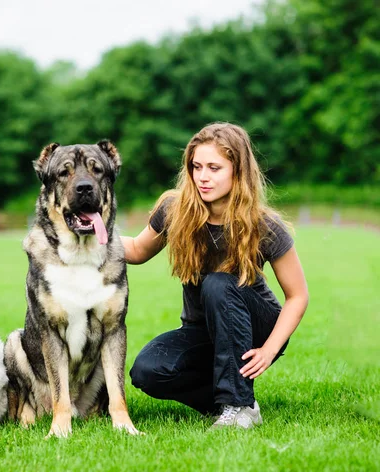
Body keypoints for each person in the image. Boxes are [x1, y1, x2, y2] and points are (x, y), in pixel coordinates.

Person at [122, 122, 308, 429]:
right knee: (148, 371)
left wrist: (270, 348)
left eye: (214, 167)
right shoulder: (175, 210)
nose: (203, 177)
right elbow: (136, 250)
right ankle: (230, 401)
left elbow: (297, 296)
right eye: (196, 167)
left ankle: (239, 405)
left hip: (256, 327)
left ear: (238, 170)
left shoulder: (264, 225)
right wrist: (91, 234)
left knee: (219, 282)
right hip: (203, 329)